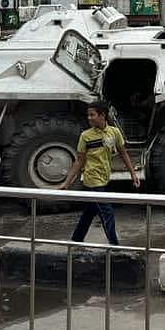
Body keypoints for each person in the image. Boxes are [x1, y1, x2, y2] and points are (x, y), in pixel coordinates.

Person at [58, 101, 141, 246]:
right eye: (88, 115)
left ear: (102, 115)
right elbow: (79, 161)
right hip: (92, 179)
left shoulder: (114, 132)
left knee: (90, 211)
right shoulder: (85, 136)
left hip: (104, 178)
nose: (89, 118)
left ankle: (76, 240)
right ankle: (114, 245)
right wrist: (67, 182)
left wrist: (133, 174)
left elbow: (123, 153)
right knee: (107, 212)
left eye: (92, 115)